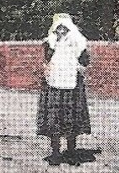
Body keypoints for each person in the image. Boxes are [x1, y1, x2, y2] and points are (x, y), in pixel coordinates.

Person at [38, 13, 92, 164]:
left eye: (64, 29)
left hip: (72, 88)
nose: (61, 32)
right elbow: (46, 61)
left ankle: (71, 151)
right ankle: (55, 152)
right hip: (54, 87)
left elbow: (85, 62)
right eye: (59, 29)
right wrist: (46, 69)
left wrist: (80, 68)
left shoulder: (78, 43)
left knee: (71, 117)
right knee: (54, 118)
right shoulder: (50, 43)